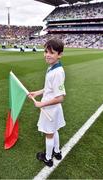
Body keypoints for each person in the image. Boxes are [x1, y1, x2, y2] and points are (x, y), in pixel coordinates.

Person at [29, 38, 66, 167]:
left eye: (51, 52)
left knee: (49, 134)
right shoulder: (51, 68)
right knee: (54, 130)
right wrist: (37, 93)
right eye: (45, 51)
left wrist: (41, 104)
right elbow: (49, 89)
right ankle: (57, 152)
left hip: (51, 108)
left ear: (59, 55)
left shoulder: (57, 72)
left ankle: (48, 158)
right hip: (53, 107)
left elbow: (60, 97)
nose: (47, 55)